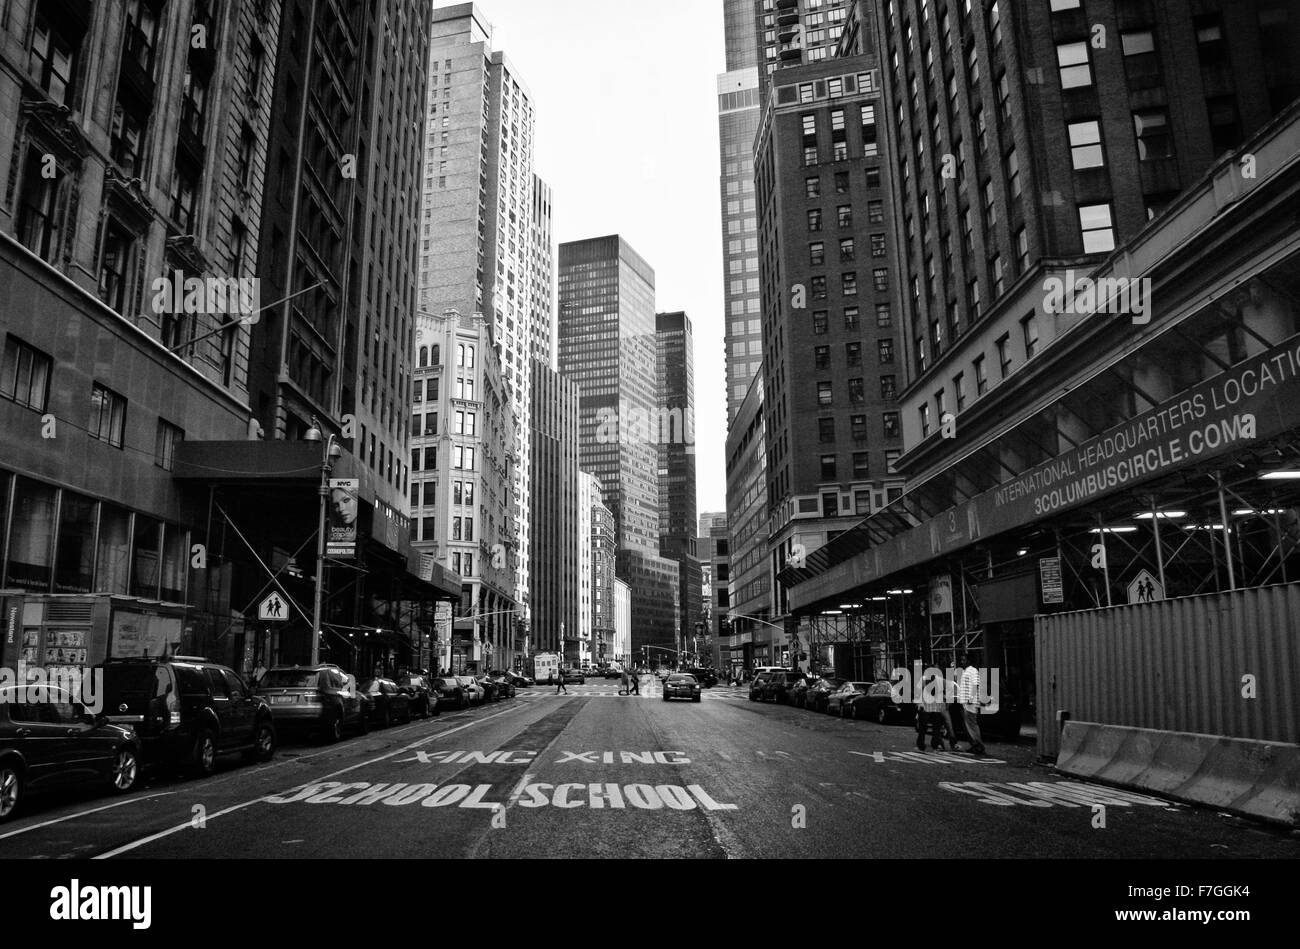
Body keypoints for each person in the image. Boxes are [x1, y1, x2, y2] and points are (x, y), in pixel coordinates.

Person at [956, 654, 988, 755]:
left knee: (972, 725)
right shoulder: (965, 671)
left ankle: (979, 746)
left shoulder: (973, 670)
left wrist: (970, 698)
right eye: (961, 660)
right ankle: (975, 745)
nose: (962, 662)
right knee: (969, 726)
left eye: (964, 660)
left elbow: (975, 684)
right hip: (966, 703)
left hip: (971, 703)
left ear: (969, 661)